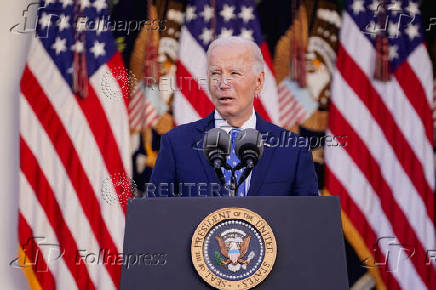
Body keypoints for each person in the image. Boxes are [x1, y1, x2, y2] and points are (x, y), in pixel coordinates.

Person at [148, 37, 318, 197]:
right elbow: (156, 216)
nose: (223, 83)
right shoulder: (177, 144)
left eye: (234, 73)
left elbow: (307, 221)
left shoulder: (293, 149)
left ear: (258, 81)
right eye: (215, 73)